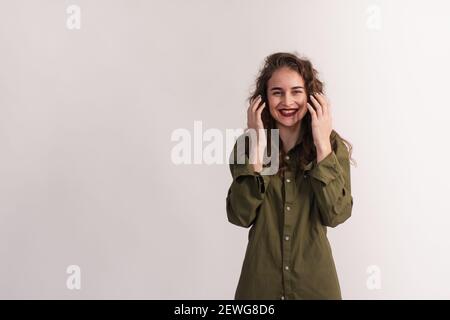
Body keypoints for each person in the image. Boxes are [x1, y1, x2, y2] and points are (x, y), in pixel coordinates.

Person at [226, 52, 354, 300]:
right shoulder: (248, 146)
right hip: (259, 289)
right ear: (264, 99)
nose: (287, 101)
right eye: (277, 92)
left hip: (315, 288)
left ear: (311, 97)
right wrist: (258, 147)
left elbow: (337, 213)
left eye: (296, 91)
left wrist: (322, 145)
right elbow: (240, 215)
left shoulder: (331, 146)